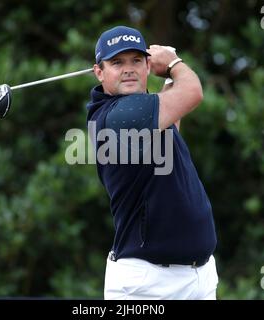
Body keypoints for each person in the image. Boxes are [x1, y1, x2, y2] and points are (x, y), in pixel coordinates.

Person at [86, 25, 218, 300]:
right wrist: (173, 63)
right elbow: (192, 92)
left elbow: (172, 123)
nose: (128, 69)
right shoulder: (117, 117)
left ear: (147, 66)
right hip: (148, 285)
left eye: (136, 60)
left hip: (198, 278)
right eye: (117, 62)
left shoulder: (141, 110)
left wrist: (169, 76)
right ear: (99, 72)